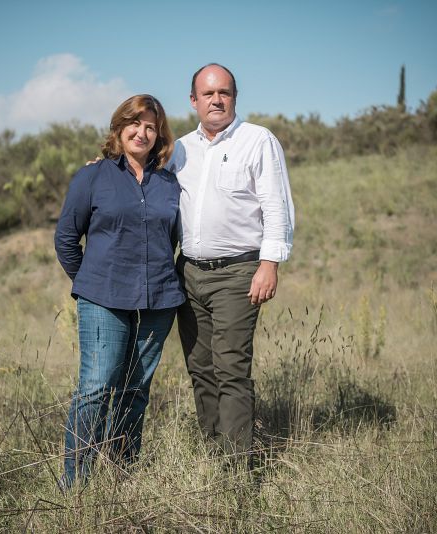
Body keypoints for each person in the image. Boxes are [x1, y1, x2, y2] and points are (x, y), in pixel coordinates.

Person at [54, 94, 184, 488]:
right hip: (103, 300)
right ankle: (74, 483)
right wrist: (92, 282)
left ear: (159, 134)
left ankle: (120, 473)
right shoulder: (92, 177)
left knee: (136, 389)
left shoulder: (169, 182)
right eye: (135, 123)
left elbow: (175, 238)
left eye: (151, 126)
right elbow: (65, 239)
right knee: (96, 387)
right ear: (119, 127)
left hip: (159, 300)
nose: (142, 132)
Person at [168, 64, 295, 463]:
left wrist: (270, 262)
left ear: (234, 98)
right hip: (188, 272)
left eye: (224, 92)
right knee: (200, 367)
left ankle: (237, 467)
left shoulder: (258, 140)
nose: (216, 100)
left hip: (238, 272)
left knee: (230, 368)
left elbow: (277, 205)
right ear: (194, 101)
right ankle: (214, 449)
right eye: (208, 94)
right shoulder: (180, 149)